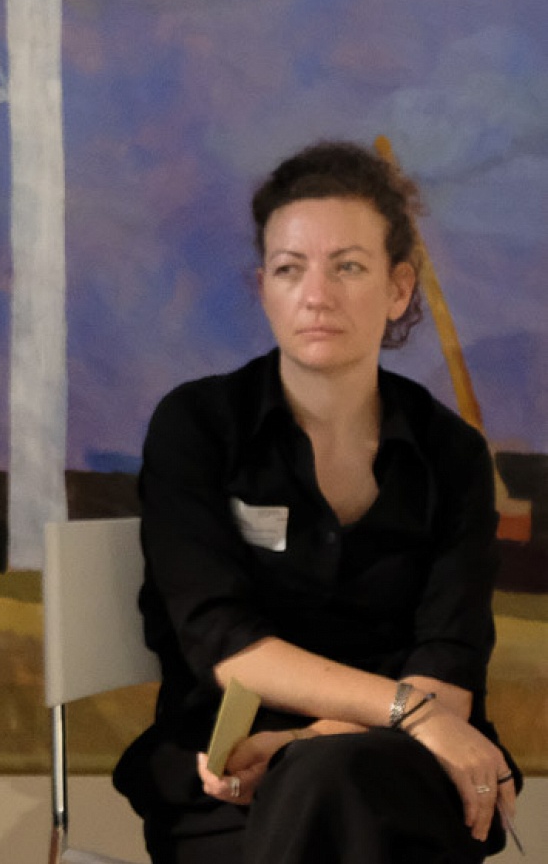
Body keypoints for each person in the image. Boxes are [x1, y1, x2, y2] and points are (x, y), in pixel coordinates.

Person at [116, 140, 521, 863]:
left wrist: (310, 740)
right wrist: (405, 711)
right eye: (289, 268)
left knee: (333, 780)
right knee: (331, 798)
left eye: (349, 267)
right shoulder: (197, 427)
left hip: (404, 770)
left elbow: (449, 659)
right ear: (263, 288)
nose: (316, 295)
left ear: (399, 288)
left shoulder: (451, 455)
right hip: (230, 783)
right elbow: (228, 648)